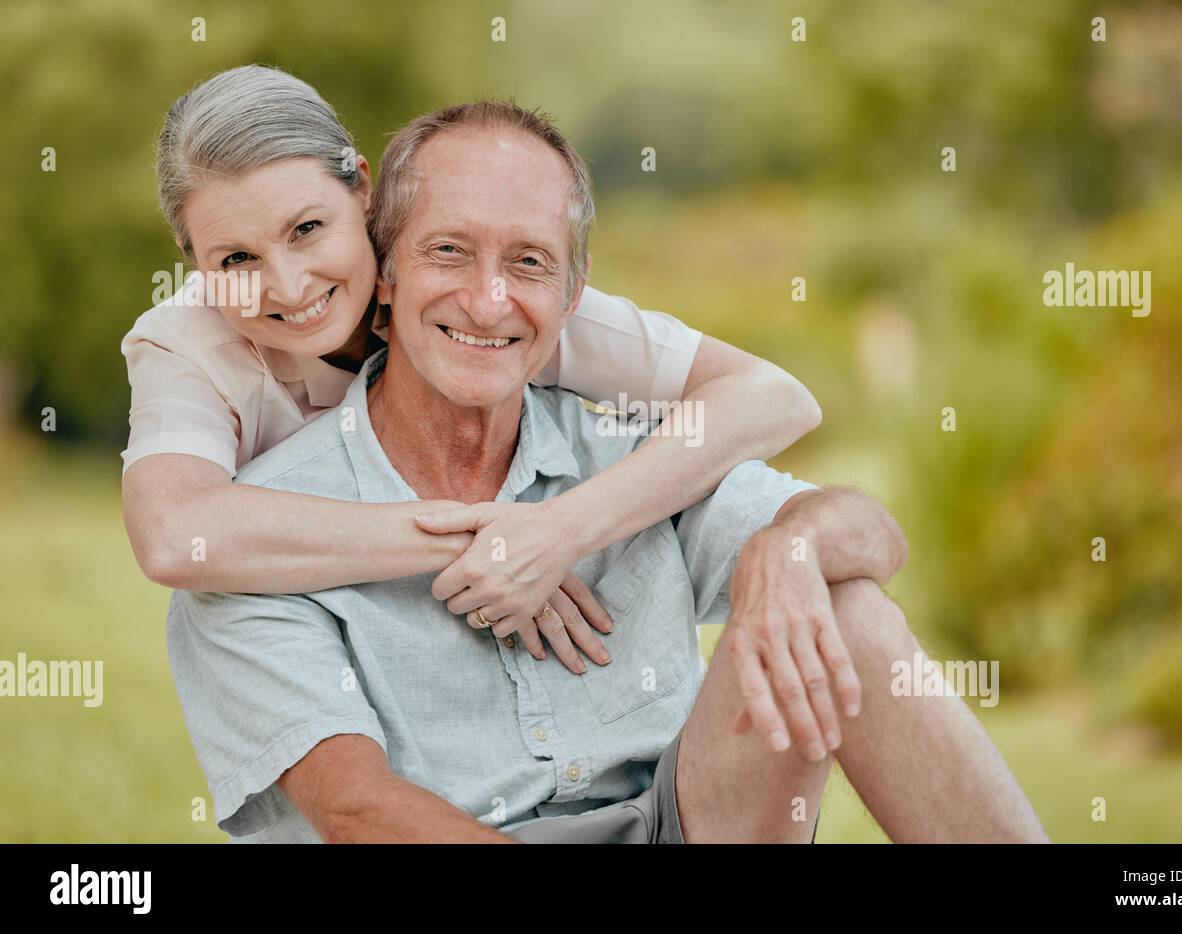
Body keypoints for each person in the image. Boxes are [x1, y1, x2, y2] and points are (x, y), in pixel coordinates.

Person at [166, 99, 1049, 843]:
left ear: (574, 292)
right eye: (448, 252)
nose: (487, 300)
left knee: (838, 598)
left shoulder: (628, 455)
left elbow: (872, 533)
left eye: (528, 263)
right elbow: (358, 813)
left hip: (684, 820)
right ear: (383, 270)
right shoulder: (260, 537)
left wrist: (789, 553)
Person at [122, 65, 821, 667]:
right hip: (323, 637)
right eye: (236, 259)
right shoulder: (183, 344)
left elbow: (772, 398)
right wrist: (488, 539)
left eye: (308, 230)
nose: (289, 285)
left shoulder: (482, 300)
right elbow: (175, 535)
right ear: (193, 263)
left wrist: (561, 530)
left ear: (362, 190)